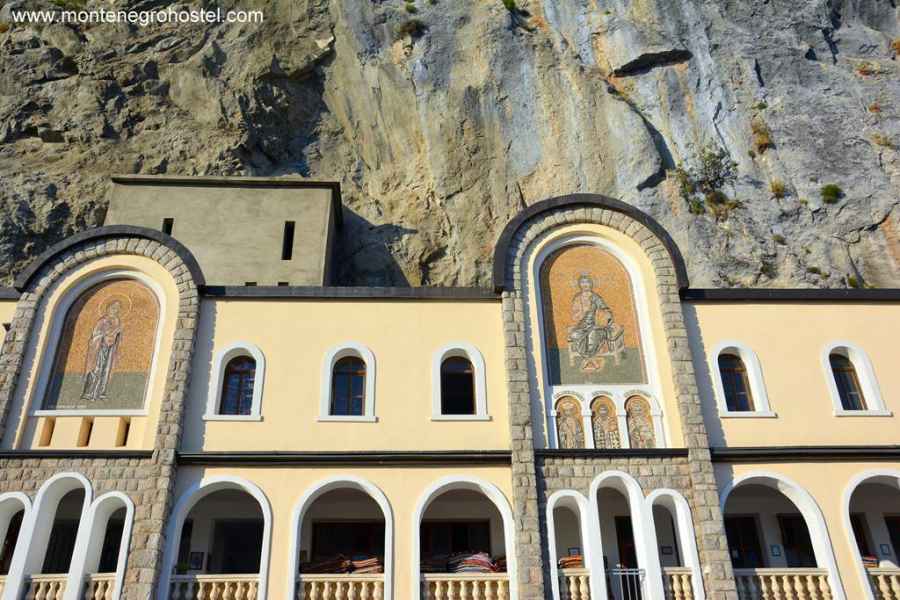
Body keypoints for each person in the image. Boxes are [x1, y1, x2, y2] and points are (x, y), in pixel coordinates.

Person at [567, 274, 624, 371]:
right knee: (574, 334)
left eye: (587, 282)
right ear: (579, 284)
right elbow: (574, 315)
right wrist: (583, 313)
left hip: (597, 326)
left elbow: (606, 310)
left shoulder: (596, 298)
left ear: (591, 284)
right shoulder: (577, 298)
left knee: (593, 335)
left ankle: (588, 360)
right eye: (583, 282)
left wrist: (604, 315)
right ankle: (591, 359)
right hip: (582, 326)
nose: (585, 285)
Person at [81, 299, 123, 401]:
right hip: (99, 349)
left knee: (106, 370)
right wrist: (107, 335)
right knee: (96, 369)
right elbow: (95, 335)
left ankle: (101, 393)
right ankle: (89, 393)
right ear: (108, 308)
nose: (115, 310)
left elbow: (116, 337)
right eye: (113, 308)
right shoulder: (102, 321)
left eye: (117, 309)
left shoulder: (117, 321)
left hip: (109, 350)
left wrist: (116, 334)